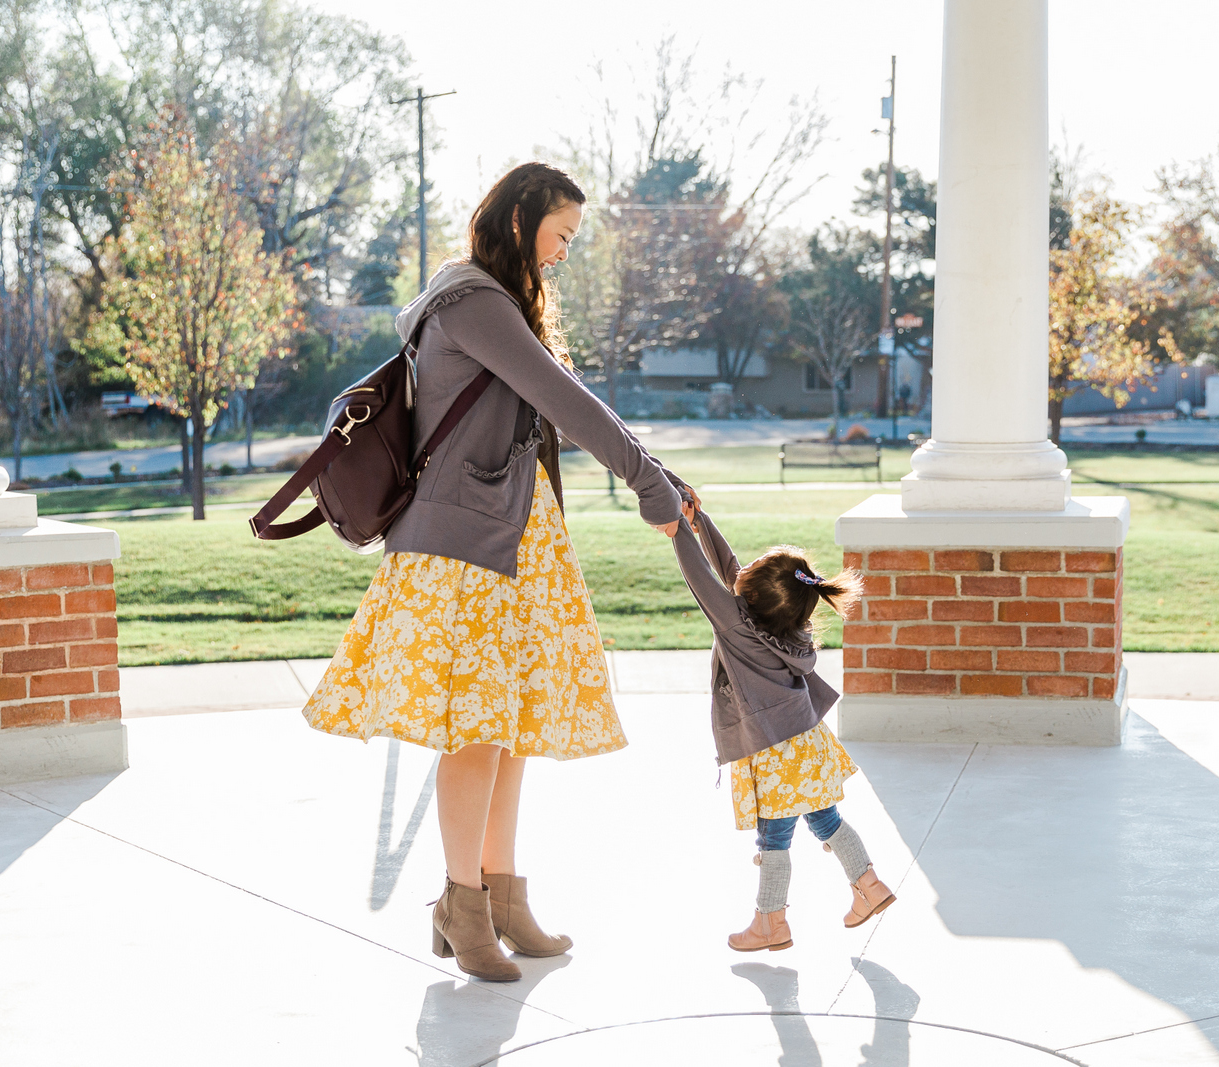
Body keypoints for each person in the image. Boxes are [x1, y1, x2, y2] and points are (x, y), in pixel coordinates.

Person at [300, 163, 690, 982]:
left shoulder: (501, 303)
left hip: (515, 538)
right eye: (560, 235)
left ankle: (504, 898)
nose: (563, 254)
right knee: (475, 730)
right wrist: (649, 479)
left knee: (510, 727)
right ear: (520, 220)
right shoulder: (473, 300)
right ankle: (461, 904)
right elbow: (569, 399)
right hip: (463, 546)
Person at [668, 494, 895, 951]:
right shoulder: (787, 624)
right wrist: (700, 523)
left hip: (773, 749)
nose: (742, 566)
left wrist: (678, 532)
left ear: (748, 598)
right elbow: (730, 573)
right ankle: (869, 885)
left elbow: (702, 581)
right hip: (805, 741)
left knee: (773, 838)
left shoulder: (735, 626)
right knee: (826, 820)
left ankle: (770, 922)